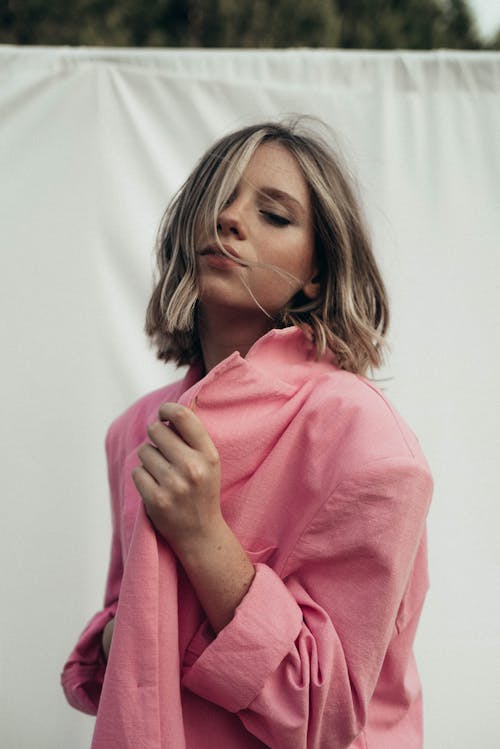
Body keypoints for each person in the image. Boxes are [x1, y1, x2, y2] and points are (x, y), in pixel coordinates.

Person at [61, 120, 433, 749]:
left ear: (316, 274)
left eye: (274, 215)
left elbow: (325, 713)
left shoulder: (369, 443)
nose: (231, 220)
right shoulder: (135, 431)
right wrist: (119, 634)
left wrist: (203, 536)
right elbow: (122, 642)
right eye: (220, 198)